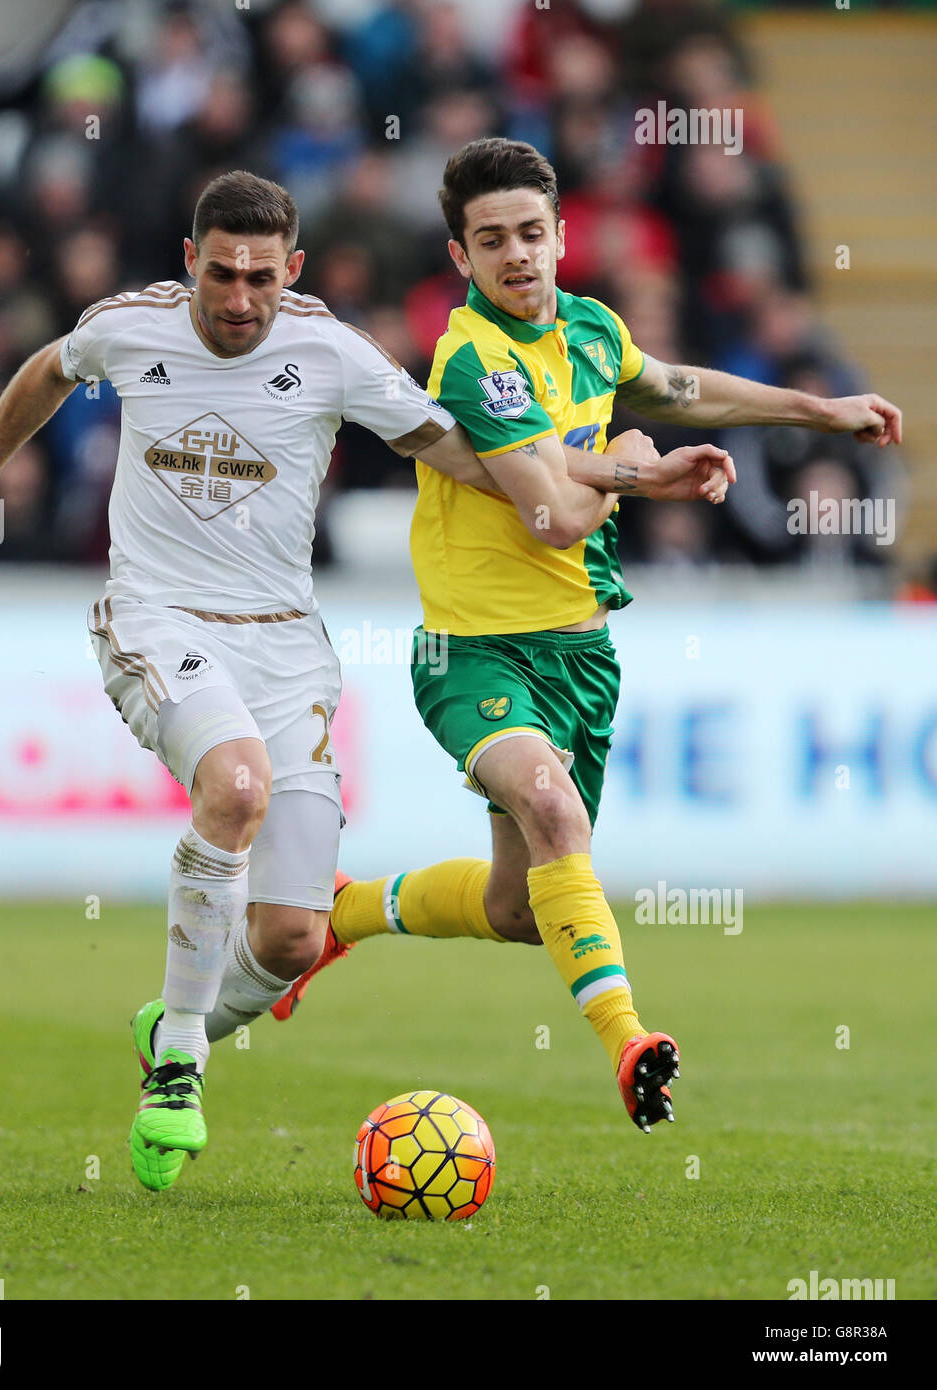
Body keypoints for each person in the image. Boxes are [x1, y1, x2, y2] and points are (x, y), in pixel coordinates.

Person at [279, 138, 902, 1135]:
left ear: (563, 236)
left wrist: (816, 409)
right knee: (551, 808)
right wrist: (629, 463)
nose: (516, 255)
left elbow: (680, 388)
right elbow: (553, 516)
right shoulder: (472, 355)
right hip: (474, 653)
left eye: (531, 233)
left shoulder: (591, 329)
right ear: (461, 257)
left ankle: (340, 914)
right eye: (492, 241)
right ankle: (628, 1042)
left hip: (580, 657)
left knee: (516, 910)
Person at [0, 170, 518, 1192]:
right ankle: (179, 1066)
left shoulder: (331, 351)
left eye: (259, 277)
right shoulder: (130, 328)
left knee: (293, 937)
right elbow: (44, 371)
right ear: (189, 264)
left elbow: (454, 452)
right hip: (156, 616)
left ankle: (178, 1019)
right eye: (220, 274)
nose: (239, 298)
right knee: (235, 787)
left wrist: (593, 482)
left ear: (291, 271)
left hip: (288, 644)